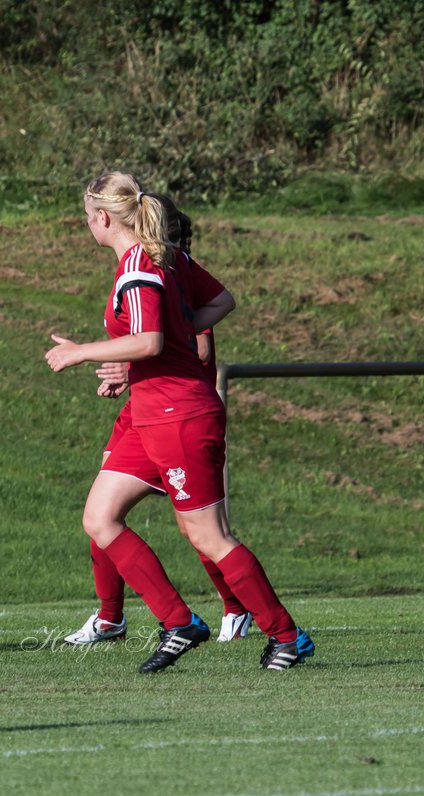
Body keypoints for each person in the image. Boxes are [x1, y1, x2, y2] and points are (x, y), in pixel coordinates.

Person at [45, 172, 313, 672]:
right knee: (100, 518)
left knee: (208, 536)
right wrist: (165, 343)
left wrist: (81, 353)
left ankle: (287, 635)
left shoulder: (141, 268)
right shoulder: (167, 259)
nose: (87, 225)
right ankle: (178, 622)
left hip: (179, 415)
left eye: (87, 217)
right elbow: (219, 303)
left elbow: (148, 341)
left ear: (103, 218)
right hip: (150, 413)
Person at [63, 194, 252, 647]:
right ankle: (112, 617)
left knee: (199, 528)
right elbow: (148, 343)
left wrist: (110, 358)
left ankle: (238, 608)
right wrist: (127, 373)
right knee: (103, 508)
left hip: (177, 410)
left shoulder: (167, 270)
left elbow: (193, 347)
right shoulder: (144, 268)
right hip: (143, 408)